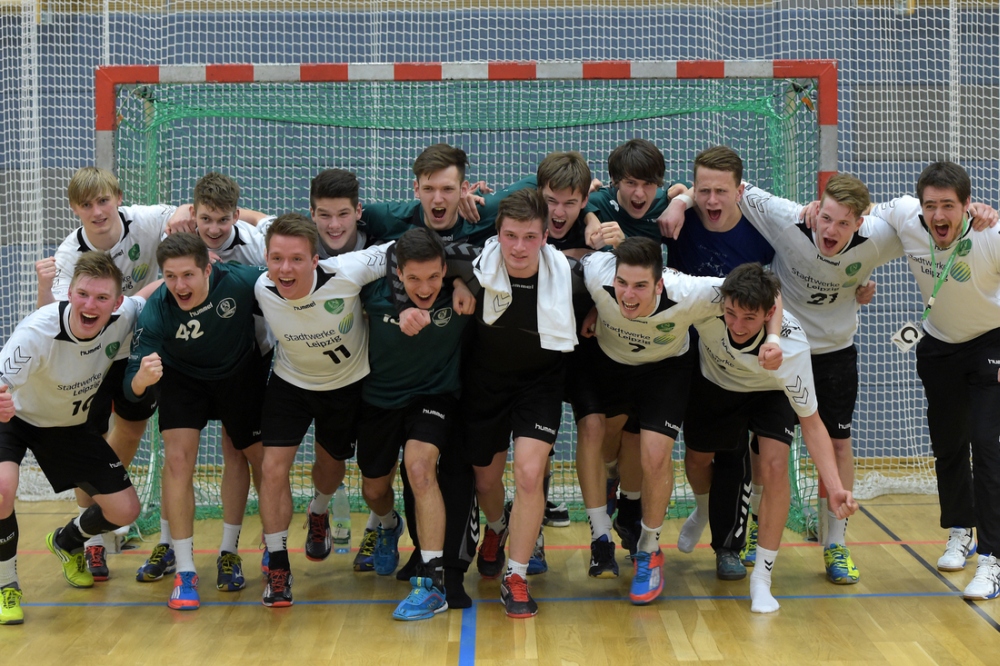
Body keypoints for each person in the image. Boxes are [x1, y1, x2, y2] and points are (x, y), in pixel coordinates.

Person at [734, 174, 904, 583]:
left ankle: (836, 543)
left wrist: (977, 214)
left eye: (843, 223)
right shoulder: (787, 219)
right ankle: (755, 525)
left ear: (859, 223)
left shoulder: (879, 238)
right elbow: (730, 187)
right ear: (816, 209)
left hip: (834, 353)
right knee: (765, 446)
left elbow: (922, 221)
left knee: (839, 443)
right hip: (784, 349)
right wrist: (678, 199)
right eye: (826, 217)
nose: (830, 230)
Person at [33, 166, 188, 581]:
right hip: (92, 355)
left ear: (118, 197)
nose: (97, 211)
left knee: (131, 431)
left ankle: (91, 522)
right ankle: (92, 540)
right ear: (74, 209)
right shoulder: (69, 256)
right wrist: (45, 290)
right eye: (86, 205)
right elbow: (52, 318)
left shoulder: (146, 220)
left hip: (140, 348)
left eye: (103, 200)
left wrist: (182, 214)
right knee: (92, 445)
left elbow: (187, 212)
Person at [685, 262, 858, 613]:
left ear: (768, 315)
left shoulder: (792, 348)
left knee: (775, 466)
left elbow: (813, 424)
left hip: (770, 391)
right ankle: (703, 510)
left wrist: (835, 485)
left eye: (749, 318)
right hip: (717, 384)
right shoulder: (708, 300)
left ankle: (762, 579)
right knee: (697, 460)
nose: (737, 325)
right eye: (731, 314)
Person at [575, 237, 737, 602]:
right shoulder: (597, 272)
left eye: (640, 286)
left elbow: (759, 290)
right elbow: (560, 260)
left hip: (666, 371)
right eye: (622, 283)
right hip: (611, 364)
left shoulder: (689, 292)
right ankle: (609, 501)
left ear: (660, 284)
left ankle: (649, 550)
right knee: (605, 445)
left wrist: (773, 338)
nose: (628, 295)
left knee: (654, 455)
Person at [868, 161, 1000, 599]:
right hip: (939, 345)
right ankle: (960, 530)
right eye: (930, 206)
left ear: (968, 205)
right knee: (948, 444)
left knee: (986, 445)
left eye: (948, 205)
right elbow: (862, 210)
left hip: (990, 342)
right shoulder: (906, 215)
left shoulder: (991, 234)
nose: (938, 216)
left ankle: (993, 559)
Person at [0, 253, 150, 624]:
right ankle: (6, 585)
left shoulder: (124, 315)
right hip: (16, 418)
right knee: (2, 489)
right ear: (69, 294)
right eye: (82, 294)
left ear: (116, 303)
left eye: (101, 298)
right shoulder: (37, 332)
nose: (90, 305)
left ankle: (67, 541)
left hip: (68, 426)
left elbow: (149, 293)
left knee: (124, 511)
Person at [125, 233, 268, 610]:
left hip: (239, 373)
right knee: (177, 459)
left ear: (208, 268)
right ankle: (185, 571)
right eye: (170, 276)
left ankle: (232, 551)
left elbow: (290, 279)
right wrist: (141, 380)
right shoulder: (156, 309)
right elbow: (130, 387)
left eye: (188, 275)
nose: (179, 286)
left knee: (251, 456)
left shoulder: (240, 281)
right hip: (183, 379)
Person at [254, 213, 390, 608]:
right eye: (277, 258)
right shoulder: (261, 287)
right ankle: (279, 565)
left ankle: (319, 510)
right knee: (272, 469)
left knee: (330, 469)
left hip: (344, 388)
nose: (285, 269)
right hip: (290, 384)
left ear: (316, 260)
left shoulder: (347, 271)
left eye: (297, 259)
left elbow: (403, 251)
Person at [462, 188, 576, 617]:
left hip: (539, 387)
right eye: (510, 236)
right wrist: (456, 282)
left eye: (530, 237)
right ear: (497, 234)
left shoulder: (568, 275)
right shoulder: (474, 268)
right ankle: (496, 527)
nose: (519, 247)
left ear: (546, 237)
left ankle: (517, 575)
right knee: (486, 481)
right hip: (485, 385)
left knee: (529, 475)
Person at [357, 227, 475, 620]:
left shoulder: (456, 294)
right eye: (413, 279)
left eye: (433, 277)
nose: (424, 288)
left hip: (434, 396)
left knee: (420, 469)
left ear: (445, 269)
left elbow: (494, 259)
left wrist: (466, 282)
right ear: (398, 274)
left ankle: (432, 582)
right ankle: (388, 524)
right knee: (374, 488)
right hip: (379, 400)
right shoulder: (372, 292)